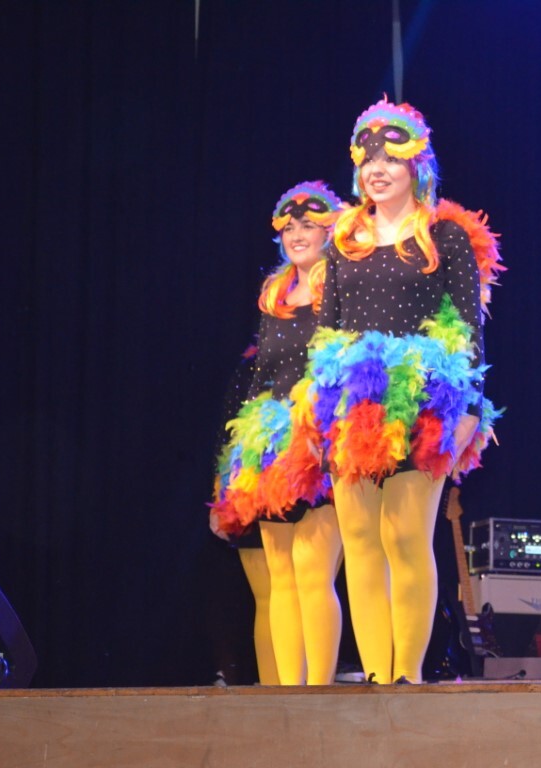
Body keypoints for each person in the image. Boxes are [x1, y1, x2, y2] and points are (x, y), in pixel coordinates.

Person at [283, 98, 502, 684]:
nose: (377, 169)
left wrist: (469, 411)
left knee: (405, 536)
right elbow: (326, 334)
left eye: (390, 158)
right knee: (359, 541)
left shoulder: (444, 237)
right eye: (368, 160)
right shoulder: (343, 241)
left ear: (416, 165)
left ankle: (407, 677)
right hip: (351, 408)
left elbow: (469, 331)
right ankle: (377, 677)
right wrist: (316, 415)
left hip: (423, 404)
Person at [211, 181, 345, 685]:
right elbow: (259, 383)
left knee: (313, 574)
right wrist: (239, 468)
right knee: (281, 579)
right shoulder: (275, 295)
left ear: (329, 231)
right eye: (289, 228)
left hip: (323, 442)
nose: (297, 235)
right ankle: (287, 694)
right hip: (271, 448)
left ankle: (319, 693)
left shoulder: (344, 286)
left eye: (308, 225)